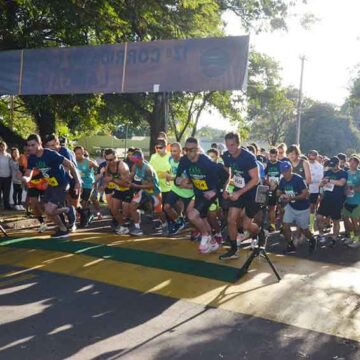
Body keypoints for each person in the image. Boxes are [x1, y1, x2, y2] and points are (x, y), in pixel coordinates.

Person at [22, 134, 81, 238]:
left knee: (50, 210)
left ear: (40, 144)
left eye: (33, 145)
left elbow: (70, 165)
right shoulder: (32, 157)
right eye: (29, 145)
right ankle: (63, 230)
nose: (30, 148)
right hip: (51, 184)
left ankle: (68, 209)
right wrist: (25, 179)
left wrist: (77, 182)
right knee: (47, 211)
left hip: (62, 184)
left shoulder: (50, 154)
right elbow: (28, 173)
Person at [219, 132, 265, 260]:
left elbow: (255, 179)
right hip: (239, 189)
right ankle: (234, 249)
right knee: (231, 219)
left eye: (232, 145)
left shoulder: (248, 157)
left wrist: (238, 193)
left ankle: (260, 233)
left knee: (246, 225)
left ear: (239, 144)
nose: (230, 148)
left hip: (252, 191)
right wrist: (226, 188)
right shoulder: (227, 155)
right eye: (227, 145)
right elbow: (231, 174)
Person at [175, 137, 220, 254]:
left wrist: (214, 191)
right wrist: (179, 181)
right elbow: (177, 177)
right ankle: (214, 242)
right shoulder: (184, 160)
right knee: (202, 219)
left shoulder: (206, 161)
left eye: (191, 150)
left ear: (198, 150)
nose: (188, 153)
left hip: (209, 193)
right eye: (186, 149)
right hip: (198, 192)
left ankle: (205, 235)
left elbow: (224, 175)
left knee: (192, 215)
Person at [277, 161, 316, 253]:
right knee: (285, 225)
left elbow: (305, 194)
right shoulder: (282, 180)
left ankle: (312, 239)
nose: (285, 173)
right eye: (283, 171)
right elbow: (278, 191)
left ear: (291, 169)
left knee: (305, 230)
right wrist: (281, 195)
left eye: (286, 171)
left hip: (303, 208)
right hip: (291, 207)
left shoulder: (298, 179)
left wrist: (291, 198)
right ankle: (291, 245)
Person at [128, 149, 164, 236]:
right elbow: (131, 175)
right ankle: (137, 228)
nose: (135, 163)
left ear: (141, 159)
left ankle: (166, 223)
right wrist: (128, 181)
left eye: (137, 161)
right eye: (134, 161)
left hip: (154, 192)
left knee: (159, 212)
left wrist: (137, 186)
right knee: (132, 206)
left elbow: (151, 185)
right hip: (144, 190)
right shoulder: (135, 166)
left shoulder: (148, 169)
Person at [163, 142, 193, 235]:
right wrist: (169, 176)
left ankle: (196, 231)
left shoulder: (186, 161)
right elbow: (172, 171)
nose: (173, 153)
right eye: (171, 151)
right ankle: (179, 222)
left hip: (187, 191)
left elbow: (190, 178)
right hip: (176, 188)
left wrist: (174, 178)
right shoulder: (170, 159)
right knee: (166, 207)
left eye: (175, 151)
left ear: (180, 151)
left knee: (190, 216)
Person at [316, 156, 347, 245]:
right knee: (319, 217)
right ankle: (321, 235)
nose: (332, 167)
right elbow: (321, 184)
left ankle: (334, 237)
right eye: (331, 165)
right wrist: (322, 183)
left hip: (337, 200)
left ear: (338, 164)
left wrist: (329, 180)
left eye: (333, 165)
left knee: (336, 220)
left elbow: (341, 183)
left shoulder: (343, 173)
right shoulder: (327, 172)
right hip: (326, 199)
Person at [102, 148, 132, 234]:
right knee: (113, 210)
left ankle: (135, 219)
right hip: (118, 189)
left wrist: (113, 179)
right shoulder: (108, 165)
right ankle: (123, 226)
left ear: (116, 157)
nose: (108, 162)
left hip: (128, 189)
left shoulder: (122, 167)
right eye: (106, 159)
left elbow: (126, 184)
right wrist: (105, 184)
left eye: (111, 160)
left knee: (126, 213)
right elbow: (106, 179)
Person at [74, 146, 99, 227]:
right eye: (77, 153)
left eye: (81, 153)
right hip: (78, 184)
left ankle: (84, 220)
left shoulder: (88, 162)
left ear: (83, 152)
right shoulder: (73, 161)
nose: (79, 155)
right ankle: (88, 214)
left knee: (84, 202)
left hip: (88, 185)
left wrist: (96, 177)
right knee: (76, 202)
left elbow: (98, 167)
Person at [341, 155, 360, 249]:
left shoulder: (359, 173)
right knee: (345, 219)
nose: (352, 164)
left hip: (357, 201)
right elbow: (342, 185)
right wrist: (345, 190)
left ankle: (357, 239)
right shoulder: (345, 173)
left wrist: (353, 189)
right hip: (347, 201)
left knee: (354, 221)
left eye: (354, 162)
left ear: (357, 163)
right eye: (350, 162)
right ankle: (352, 236)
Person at [149, 138, 172, 207]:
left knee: (167, 208)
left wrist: (168, 174)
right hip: (157, 188)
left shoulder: (171, 156)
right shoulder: (153, 157)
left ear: (165, 147)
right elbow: (150, 171)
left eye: (160, 147)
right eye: (157, 147)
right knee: (158, 209)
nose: (158, 149)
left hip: (169, 188)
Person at [265, 148, 282, 232]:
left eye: (274, 156)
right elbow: (264, 176)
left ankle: (283, 225)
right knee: (272, 208)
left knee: (282, 208)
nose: (272, 158)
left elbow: (283, 177)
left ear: (277, 156)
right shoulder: (267, 164)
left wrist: (276, 184)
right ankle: (272, 225)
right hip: (270, 188)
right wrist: (269, 184)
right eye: (271, 156)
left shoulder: (280, 164)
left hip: (279, 188)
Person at [307, 150, 323, 232]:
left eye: (314, 155)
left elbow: (320, 179)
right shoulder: (305, 164)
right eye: (311, 155)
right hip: (304, 190)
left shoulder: (319, 166)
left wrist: (310, 179)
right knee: (304, 208)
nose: (312, 157)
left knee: (312, 208)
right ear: (308, 155)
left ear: (316, 156)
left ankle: (311, 226)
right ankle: (303, 226)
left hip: (314, 190)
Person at [0, 141, 12, 210]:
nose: (2, 148)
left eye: (3, 146)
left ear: (6, 147)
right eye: (1, 146)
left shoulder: (9, 156)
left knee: (6, 193)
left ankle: (7, 206)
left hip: (7, 177)